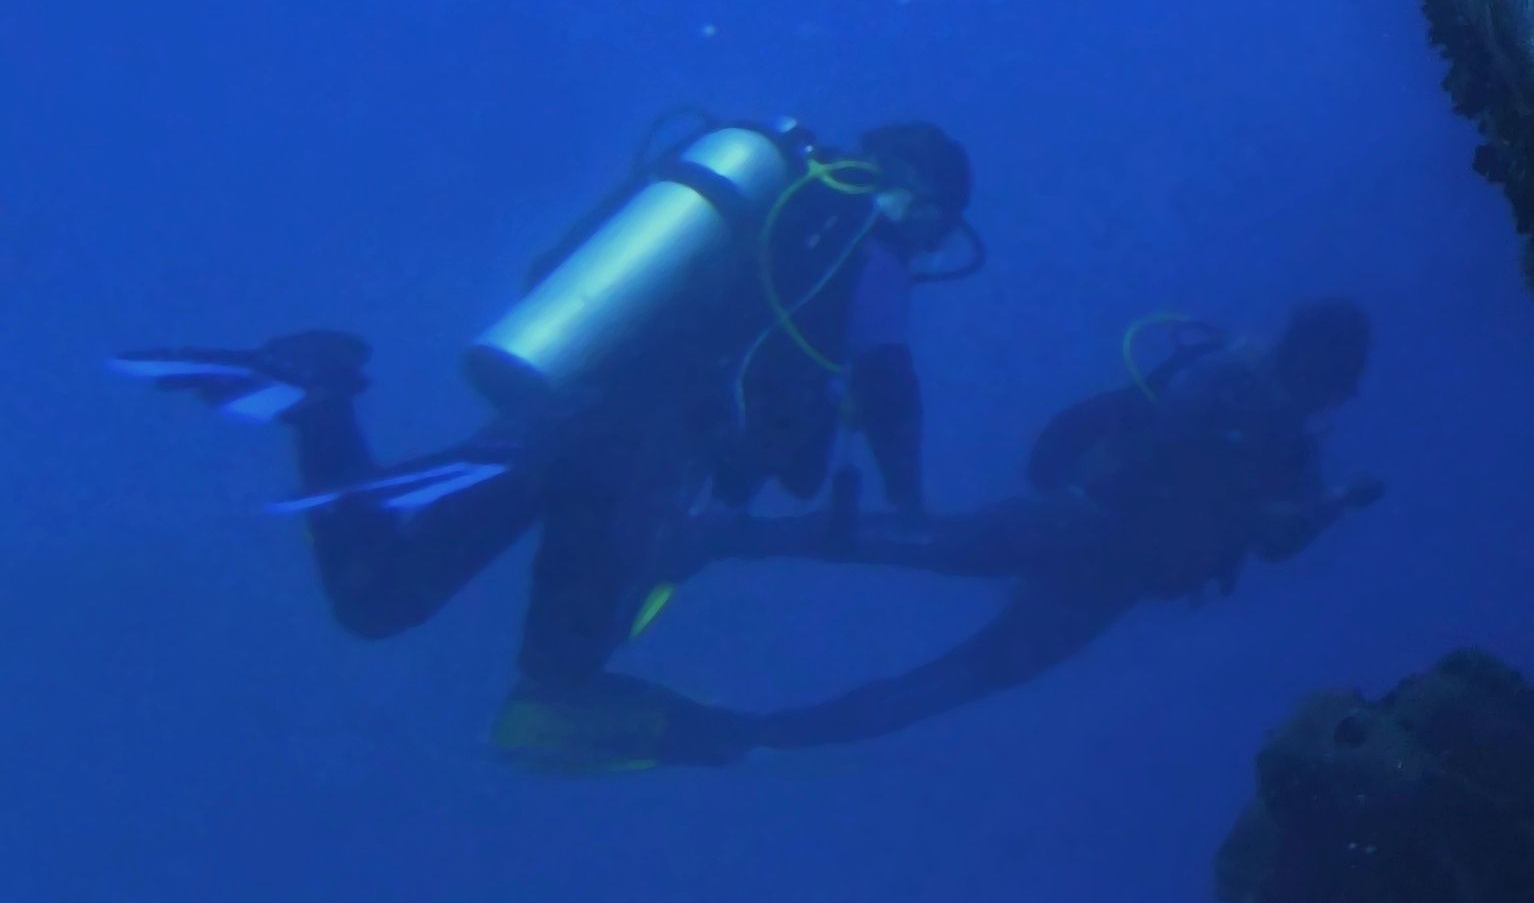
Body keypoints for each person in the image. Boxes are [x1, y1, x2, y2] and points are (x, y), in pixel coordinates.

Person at [113, 113, 979, 766]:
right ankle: (726, 740)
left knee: (379, 601)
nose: (926, 247)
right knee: (556, 681)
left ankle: (318, 396)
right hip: (636, 458)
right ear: (923, 200)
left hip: (560, 407)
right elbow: (887, 374)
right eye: (935, 229)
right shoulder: (867, 235)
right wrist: (909, 499)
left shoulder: (773, 216)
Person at [647, 298, 1379, 764]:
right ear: (1318, 366)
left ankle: (750, 697)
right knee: (928, 604)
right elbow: (1183, 456)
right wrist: (1298, 498)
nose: (1335, 394)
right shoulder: (1250, 404)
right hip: (1090, 540)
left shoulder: (1278, 436)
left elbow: (1264, 531)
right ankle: (722, 577)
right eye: (1337, 378)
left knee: (931, 608)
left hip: (1101, 564)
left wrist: (1326, 504)